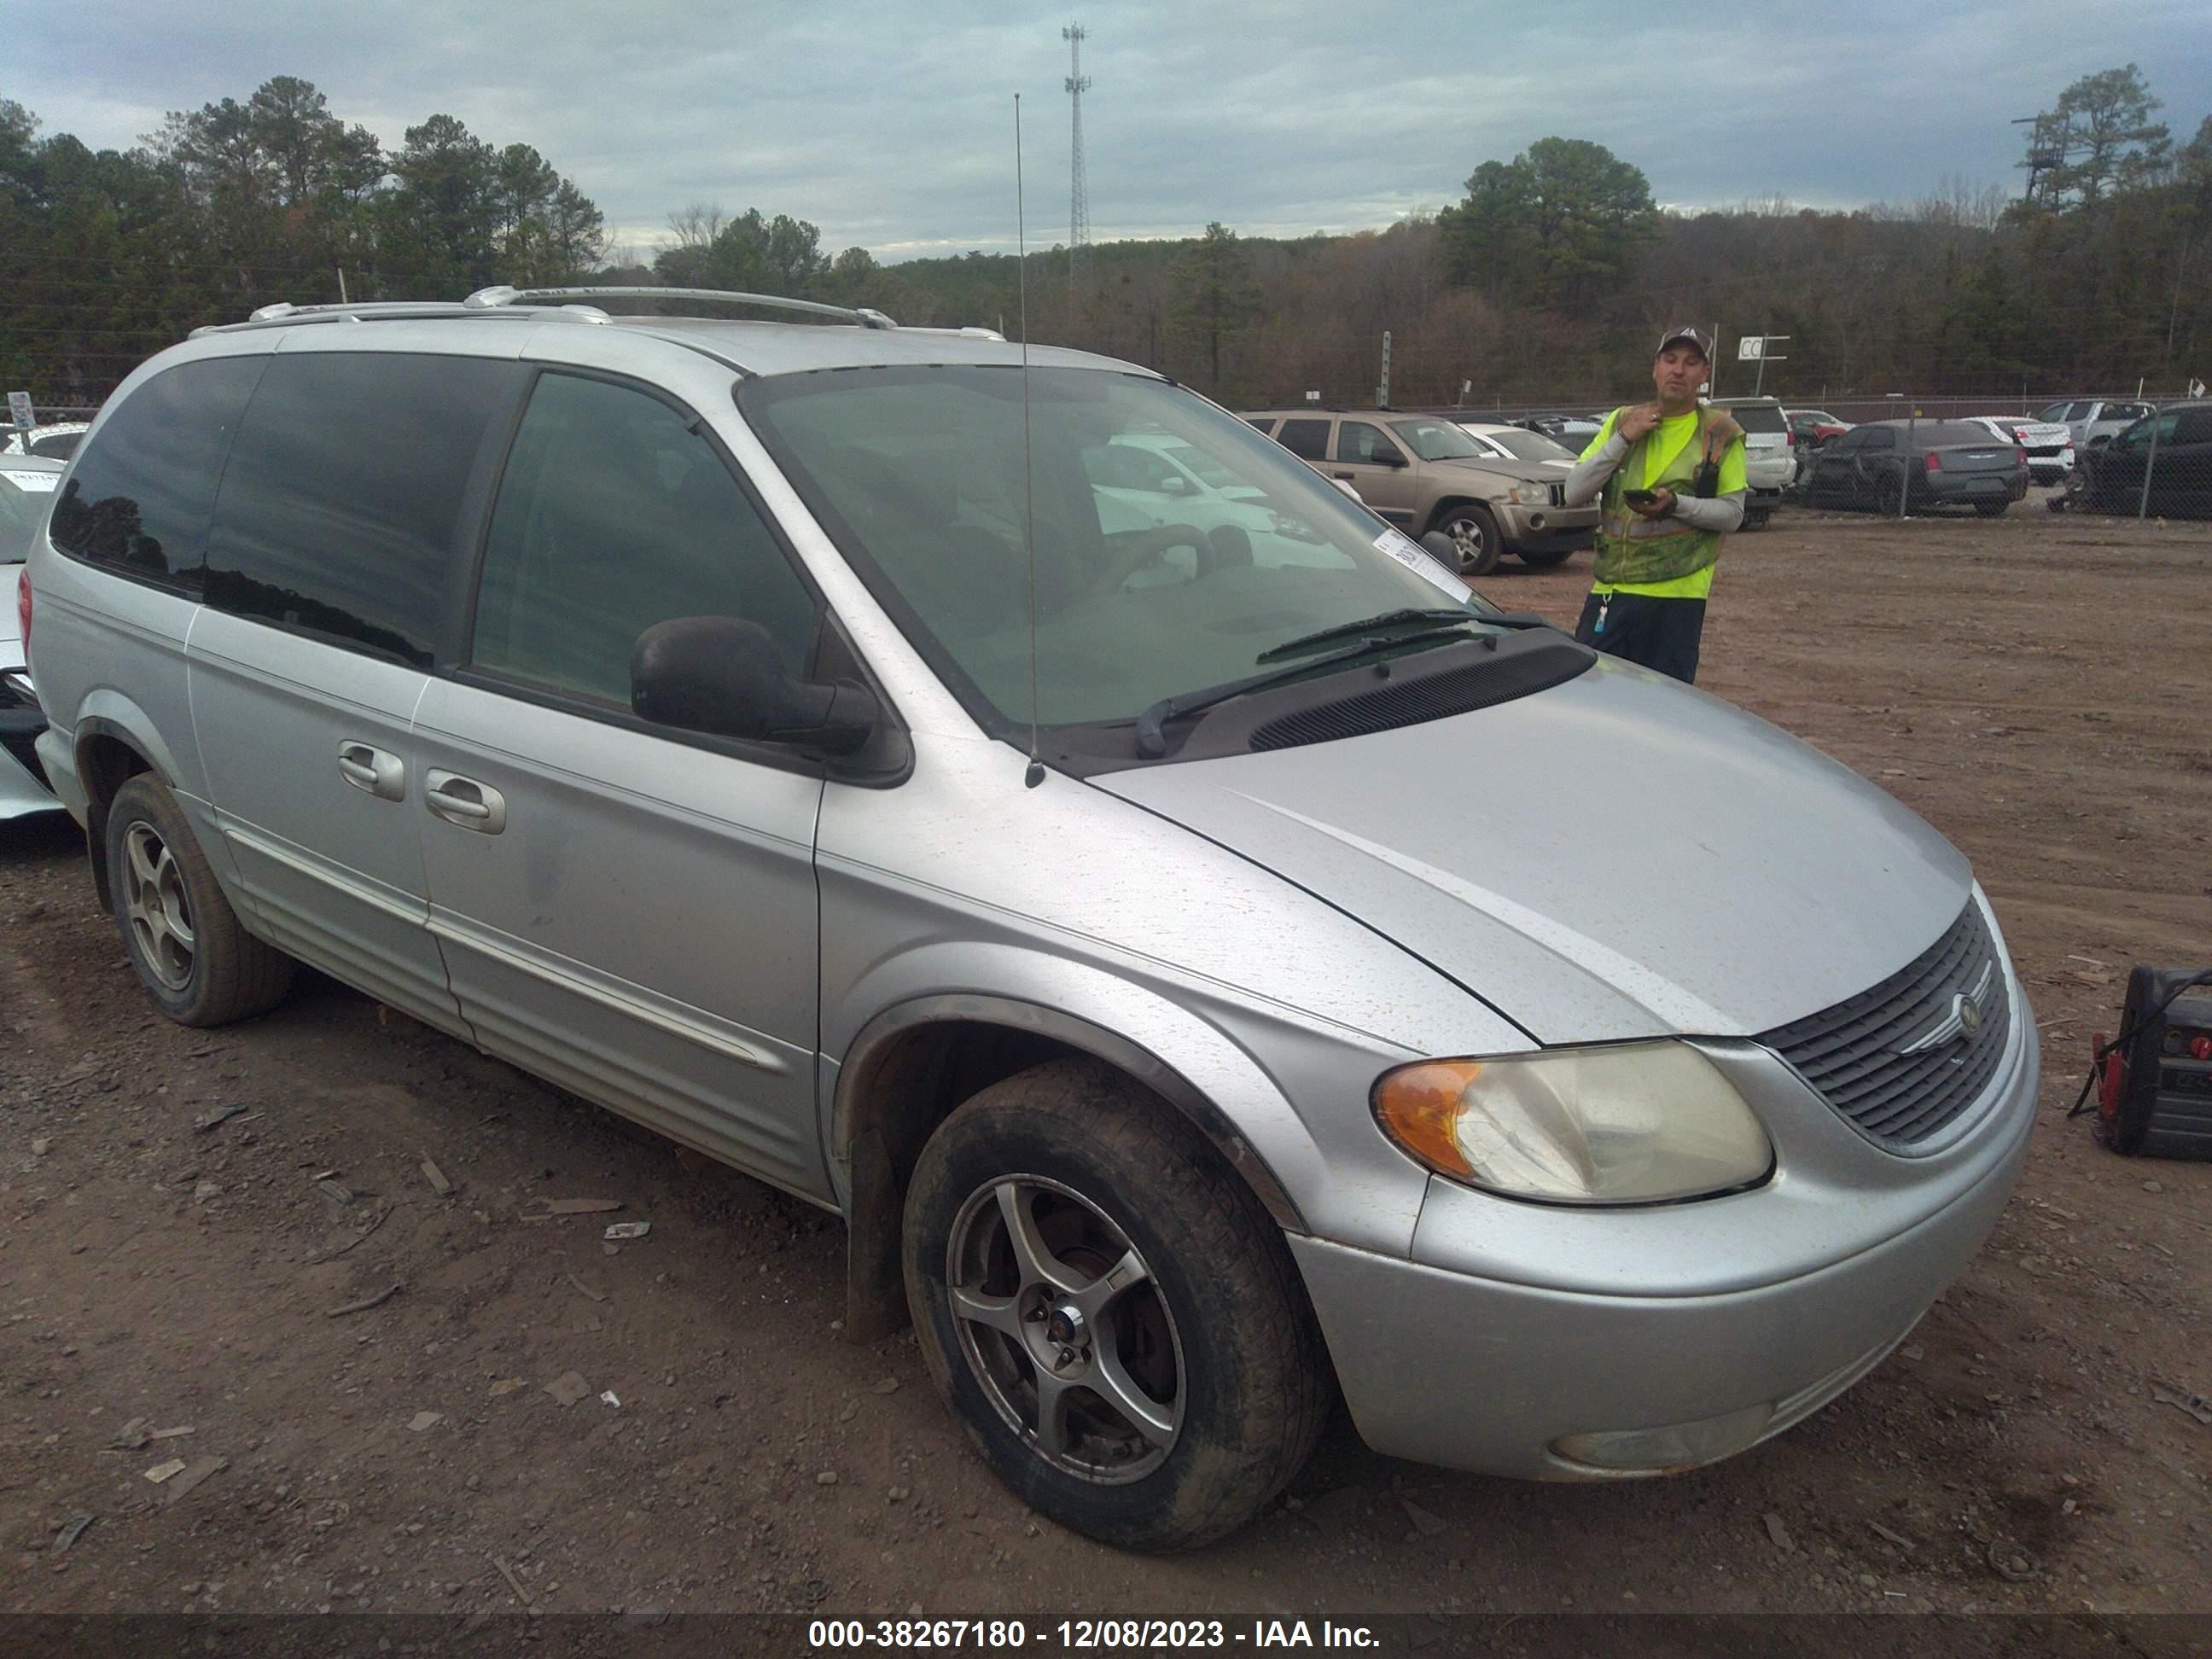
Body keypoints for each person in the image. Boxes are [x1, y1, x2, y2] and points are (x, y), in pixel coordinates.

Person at [1560, 327, 1747, 684]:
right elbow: (1575, 491)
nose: (1679, 370)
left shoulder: (1721, 433)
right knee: (1591, 696)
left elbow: (1732, 515)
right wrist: (1624, 437)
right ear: (1655, 368)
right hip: (1612, 589)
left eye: (1691, 363)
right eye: (1671, 360)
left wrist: (1675, 504)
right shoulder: (1621, 421)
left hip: (1678, 595)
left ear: (1704, 375)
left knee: (1665, 710)